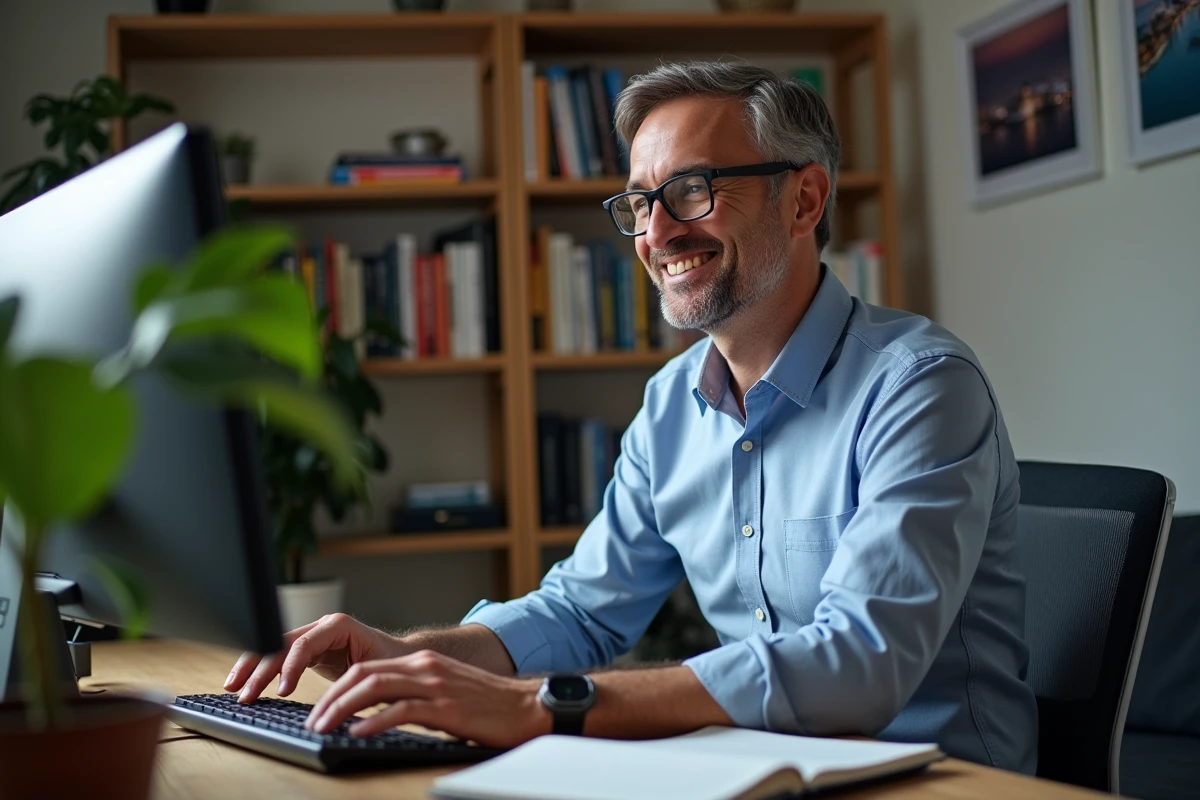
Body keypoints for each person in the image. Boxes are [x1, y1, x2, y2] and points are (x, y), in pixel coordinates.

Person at [226, 61, 1038, 773]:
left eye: (692, 190)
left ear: (805, 199)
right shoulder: (671, 404)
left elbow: (857, 665)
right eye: (641, 202)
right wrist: (412, 656)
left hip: (943, 782)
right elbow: (581, 611)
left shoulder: (921, 386)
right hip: (764, 772)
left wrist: (538, 704)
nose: (656, 232)